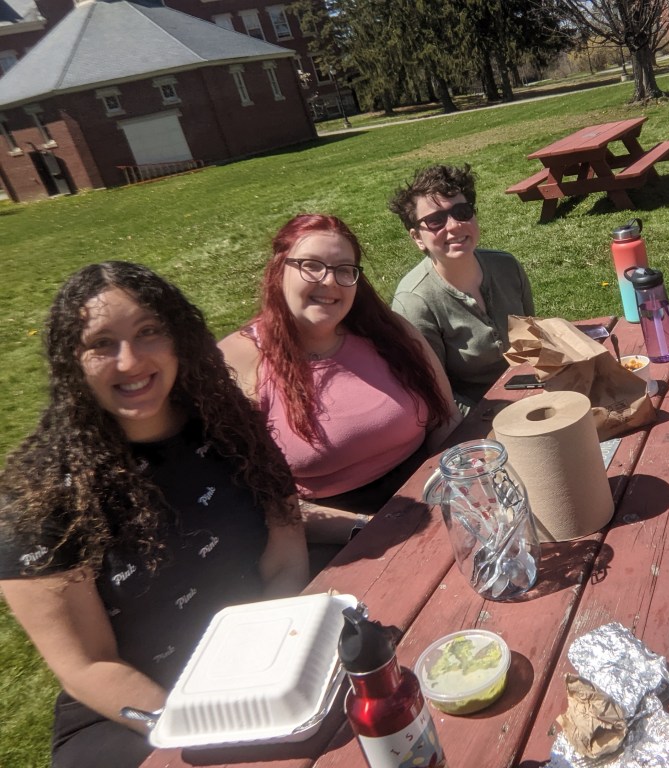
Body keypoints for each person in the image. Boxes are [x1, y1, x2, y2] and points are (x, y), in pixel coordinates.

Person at [0, 262, 308, 768]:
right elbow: (88, 665)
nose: (130, 361)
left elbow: (286, 556)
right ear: (71, 362)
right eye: (102, 343)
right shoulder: (39, 497)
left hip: (259, 654)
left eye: (148, 332)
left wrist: (264, 665)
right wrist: (205, 726)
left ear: (177, 338)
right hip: (133, 708)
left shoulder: (231, 428)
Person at [219, 214, 460, 546]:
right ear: (278, 270)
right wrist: (370, 529)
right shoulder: (239, 361)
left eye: (344, 270)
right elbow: (256, 502)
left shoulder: (388, 332)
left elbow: (446, 420)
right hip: (341, 536)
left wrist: (461, 490)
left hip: (435, 496)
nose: (329, 282)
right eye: (312, 266)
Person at [388, 164, 535, 413]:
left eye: (462, 211)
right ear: (416, 237)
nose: (455, 226)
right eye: (435, 221)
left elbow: (533, 342)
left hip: (534, 391)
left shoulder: (506, 266)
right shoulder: (414, 302)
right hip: (477, 421)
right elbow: (433, 395)